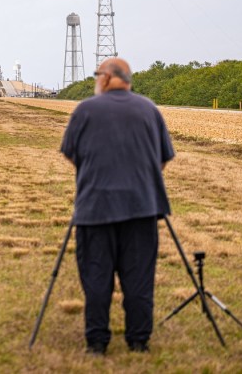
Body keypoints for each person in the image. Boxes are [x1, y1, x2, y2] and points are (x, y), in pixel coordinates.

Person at [60, 57, 174, 355]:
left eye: (98, 74)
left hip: (95, 208)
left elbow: (71, 154)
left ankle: (97, 342)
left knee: (96, 278)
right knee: (139, 277)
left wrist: (96, 173)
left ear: (108, 77)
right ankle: (139, 340)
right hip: (141, 208)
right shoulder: (149, 109)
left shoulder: (85, 110)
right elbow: (162, 158)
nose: (96, 79)